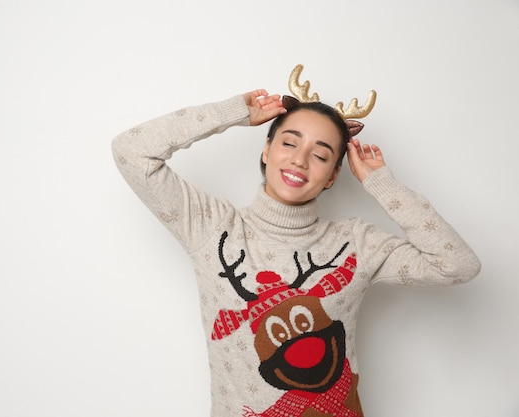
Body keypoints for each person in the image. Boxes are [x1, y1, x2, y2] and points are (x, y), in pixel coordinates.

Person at [111, 71, 481, 416]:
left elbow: (458, 265)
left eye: (321, 155)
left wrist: (382, 185)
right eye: (289, 143)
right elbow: (131, 151)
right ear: (266, 150)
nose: (300, 160)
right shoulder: (210, 227)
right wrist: (233, 113)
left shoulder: (356, 243)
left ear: (335, 174)